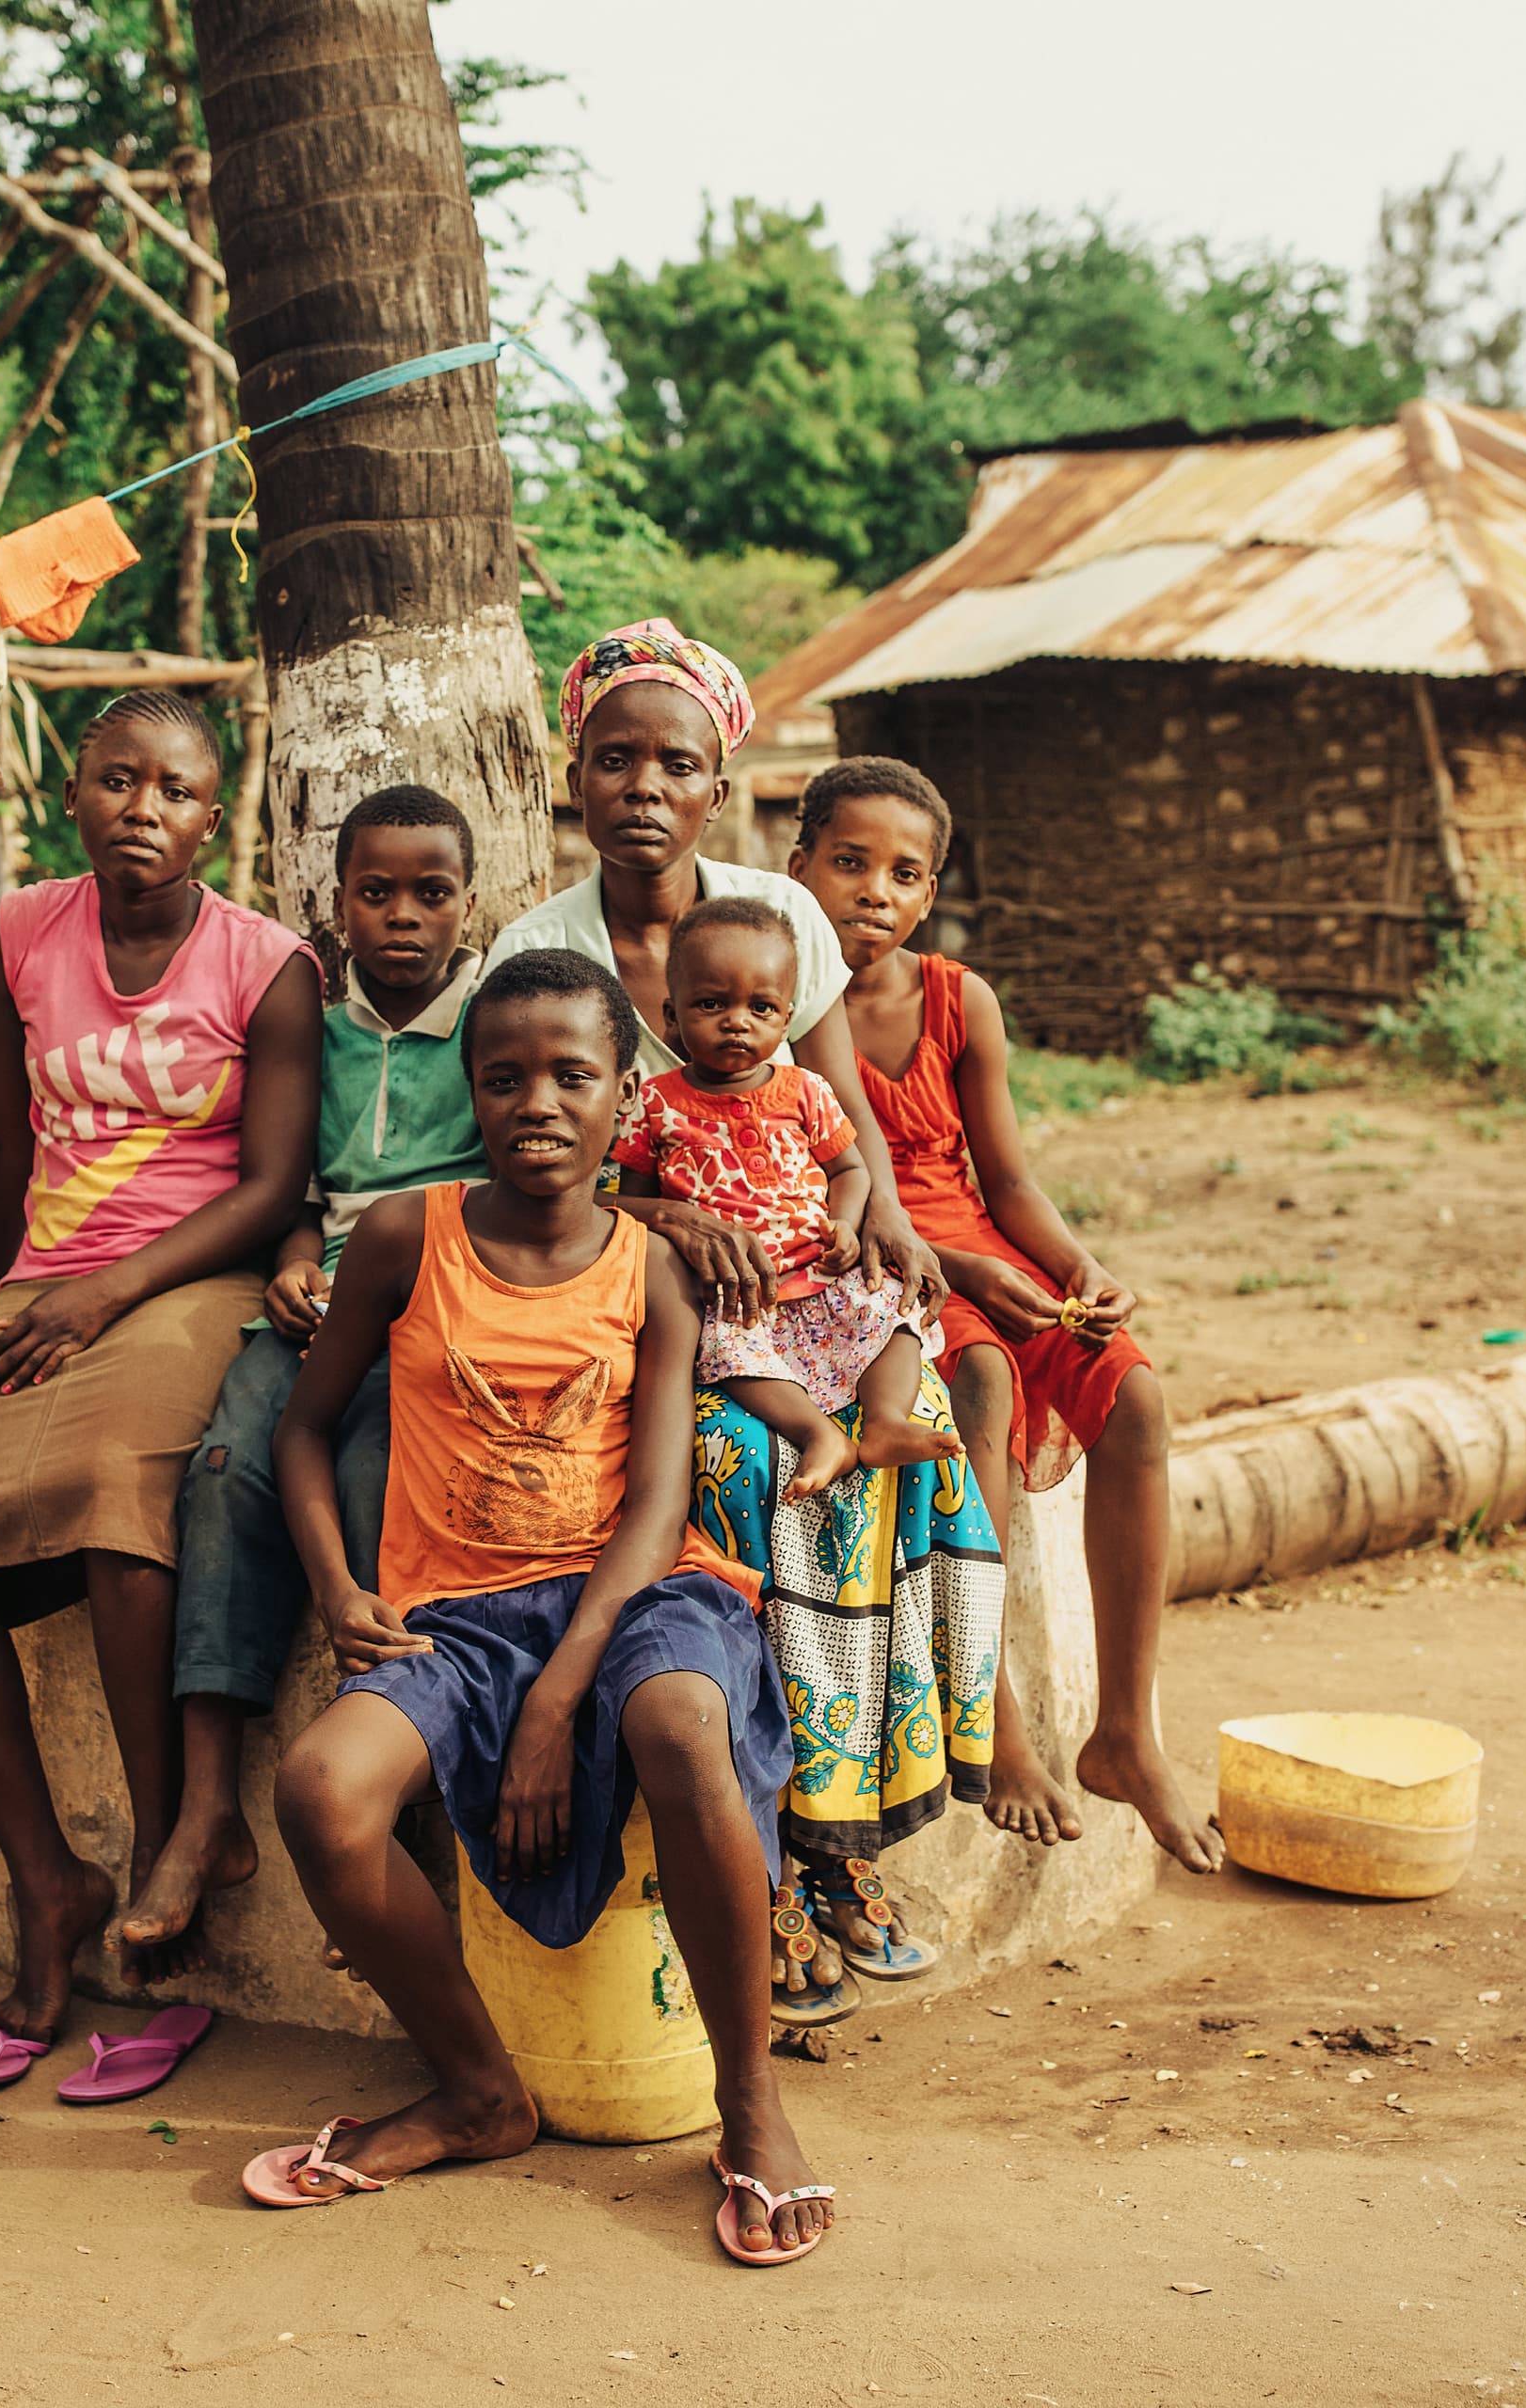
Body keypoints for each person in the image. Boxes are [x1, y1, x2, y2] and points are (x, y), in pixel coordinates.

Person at [243, 949, 833, 2266]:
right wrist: (341, 1588)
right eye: (502, 1078)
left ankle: (750, 2103)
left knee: (681, 1727)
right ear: (470, 1093)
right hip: (453, 1616)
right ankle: (476, 2090)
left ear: (626, 1097)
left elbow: (652, 1505)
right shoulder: (408, 1240)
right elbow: (302, 1431)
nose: (537, 1103)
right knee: (322, 1795)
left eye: (573, 1075)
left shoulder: (652, 1273)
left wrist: (561, 1696)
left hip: (636, 1596)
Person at [486, 618, 999, 2020]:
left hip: (804, 1285)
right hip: (649, 1307)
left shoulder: (781, 923)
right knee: (740, 1465)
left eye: (678, 764)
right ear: (575, 778)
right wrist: (665, 1222)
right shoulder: (540, 951)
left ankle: (852, 1831)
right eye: (616, 761)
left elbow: (842, 1117)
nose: (645, 787)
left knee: (925, 1438)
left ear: (721, 785)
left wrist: (881, 1215)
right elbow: (542, 1164)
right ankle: (764, 1848)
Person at [0, 689, 324, 2083]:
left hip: (190, 1280)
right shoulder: (18, 931)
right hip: (46, 1281)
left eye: (177, 789)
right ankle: (45, 1880)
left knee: (119, 1521)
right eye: (118, 779)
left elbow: (270, 1190)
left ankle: (162, 1851)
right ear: (72, 794)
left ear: (212, 815)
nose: (144, 806)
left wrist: (106, 1294)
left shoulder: (269, 965)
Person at [787, 755, 1225, 1875]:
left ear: (931, 894)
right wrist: (964, 1276)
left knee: (1134, 1397)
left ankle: (1125, 1730)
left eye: (903, 873)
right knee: (974, 1389)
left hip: (982, 1247)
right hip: (874, 1261)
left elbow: (1010, 1182)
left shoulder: (955, 997)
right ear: (799, 869)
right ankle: (1001, 1725)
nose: (873, 893)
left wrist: (1084, 1271)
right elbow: (848, 1190)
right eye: (848, 863)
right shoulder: (783, 1001)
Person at [120, 784, 487, 1955]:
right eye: (375, 893)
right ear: (336, 908)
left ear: (467, 905)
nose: (403, 917)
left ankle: (388, 1805)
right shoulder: (315, 1033)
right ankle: (208, 1804)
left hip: (436, 1308)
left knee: (381, 1481)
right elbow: (296, 1196)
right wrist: (286, 1263)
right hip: (317, 1307)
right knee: (229, 1466)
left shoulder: (494, 1024)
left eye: (431, 894)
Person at [612, 894, 955, 1500]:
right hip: (736, 1292)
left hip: (821, 1271)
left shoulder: (806, 1091)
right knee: (727, 1354)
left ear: (788, 1016)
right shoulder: (656, 1104)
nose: (736, 1021)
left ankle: (883, 1422)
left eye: (760, 1007)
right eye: (711, 1004)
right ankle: (819, 1433)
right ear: (671, 1015)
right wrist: (678, 1218)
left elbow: (850, 1169)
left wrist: (846, 1226)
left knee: (892, 1315)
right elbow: (627, 1202)